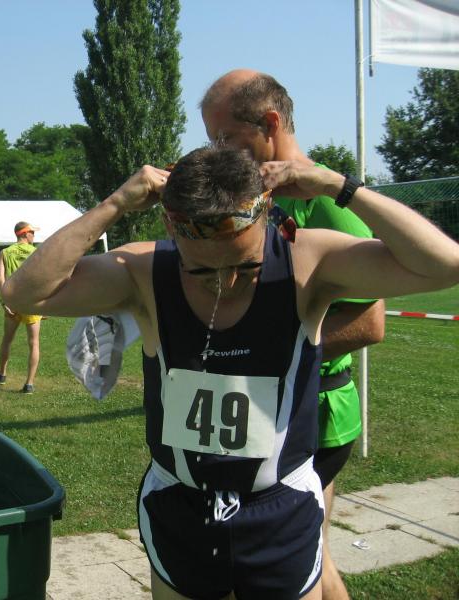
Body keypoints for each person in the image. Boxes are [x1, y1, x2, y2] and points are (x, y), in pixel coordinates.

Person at [2, 145, 459, 599]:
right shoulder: (144, 270)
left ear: (267, 215)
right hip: (179, 504)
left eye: (247, 264)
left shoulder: (308, 260)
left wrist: (338, 186)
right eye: (201, 271)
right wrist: (116, 203)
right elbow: (23, 294)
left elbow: (446, 265)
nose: (226, 281)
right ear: (171, 227)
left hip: (281, 505)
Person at [200, 68, 386, 600]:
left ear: (270, 124)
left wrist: (266, 353)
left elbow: (371, 322)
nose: (217, 151)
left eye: (225, 138)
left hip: (317, 414)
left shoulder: (324, 203)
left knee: (303, 556)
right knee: (310, 555)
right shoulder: (258, 197)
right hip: (269, 413)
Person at [0, 221, 43, 394]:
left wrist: (5, 301)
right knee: (34, 343)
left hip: (13, 302)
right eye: (32, 232)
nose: (34, 236)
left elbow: (1, 278)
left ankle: (2, 374)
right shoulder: (37, 253)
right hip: (32, 302)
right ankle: (29, 384)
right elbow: (43, 278)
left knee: (7, 339)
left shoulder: (5, 252)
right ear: (24, 233)